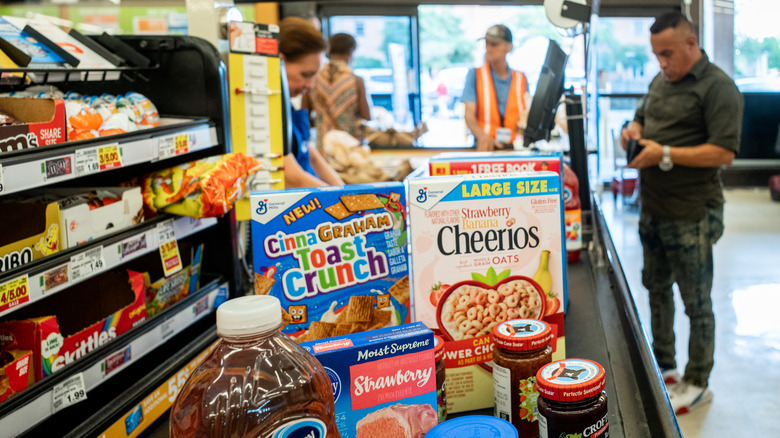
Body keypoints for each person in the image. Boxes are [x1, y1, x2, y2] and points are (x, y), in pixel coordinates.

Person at [620, 11, 743, 415]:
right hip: (652, 208)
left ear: (691, 43)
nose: (662, 64)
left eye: (668, 54)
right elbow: (641, 117)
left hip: (691, 213)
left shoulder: (718, 88)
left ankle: (697, 381)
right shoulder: (661, 80)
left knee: (696, 303)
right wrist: (633, 130)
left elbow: (723, 152)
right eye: (657, 55)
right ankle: (666, 365)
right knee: (656, 291)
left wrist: (666, 153)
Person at [279, 17, 344, 188]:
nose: (311, 85)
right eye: (306, 75)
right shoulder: (264, 110)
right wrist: (343, 199)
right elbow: (290, 176)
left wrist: (345, 190)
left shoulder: (288, 104)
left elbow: (311, 156)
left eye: (314, 76)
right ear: (279, 61)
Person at [462, 24, 532, 151]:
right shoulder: (475, 75)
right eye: (487, 44)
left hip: (514, 149)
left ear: (508, 47)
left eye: (494, 44)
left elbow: (527, 114)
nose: (488, 48)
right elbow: (469, 115)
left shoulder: (521, 78)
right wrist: (483, 136)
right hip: (487, 148)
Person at [308, 33, 371, 148]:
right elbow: (367, 116)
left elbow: (304, 115)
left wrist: (321, 121)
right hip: (349, 147)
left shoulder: (313, 78)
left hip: (323, 147)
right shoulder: (356, 80)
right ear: (350, 52)